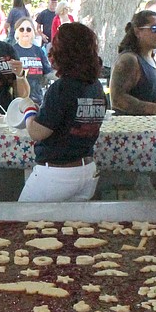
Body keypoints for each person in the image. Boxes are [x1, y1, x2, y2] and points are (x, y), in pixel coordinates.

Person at [19, 22, 106, 202]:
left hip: (58, 173)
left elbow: (38, 132)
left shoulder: (62, 88)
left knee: (23, 222)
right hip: (87, 169)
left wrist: (28, 110)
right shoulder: (96, 86)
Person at [109, 9, 156, 115]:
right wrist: (154, 108)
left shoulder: (152, 59)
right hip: (131, 130)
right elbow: (118, 99)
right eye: (154, 28)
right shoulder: (129, 60)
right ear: (137, 32)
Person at [9, 18, 52, 104]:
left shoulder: (38, 50)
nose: (25, 32)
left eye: (28, 29)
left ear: (33, 32)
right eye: (22, 29)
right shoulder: (12, 50)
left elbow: (48, 72)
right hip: (19, 102)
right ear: (17, 32)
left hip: (38, 100)